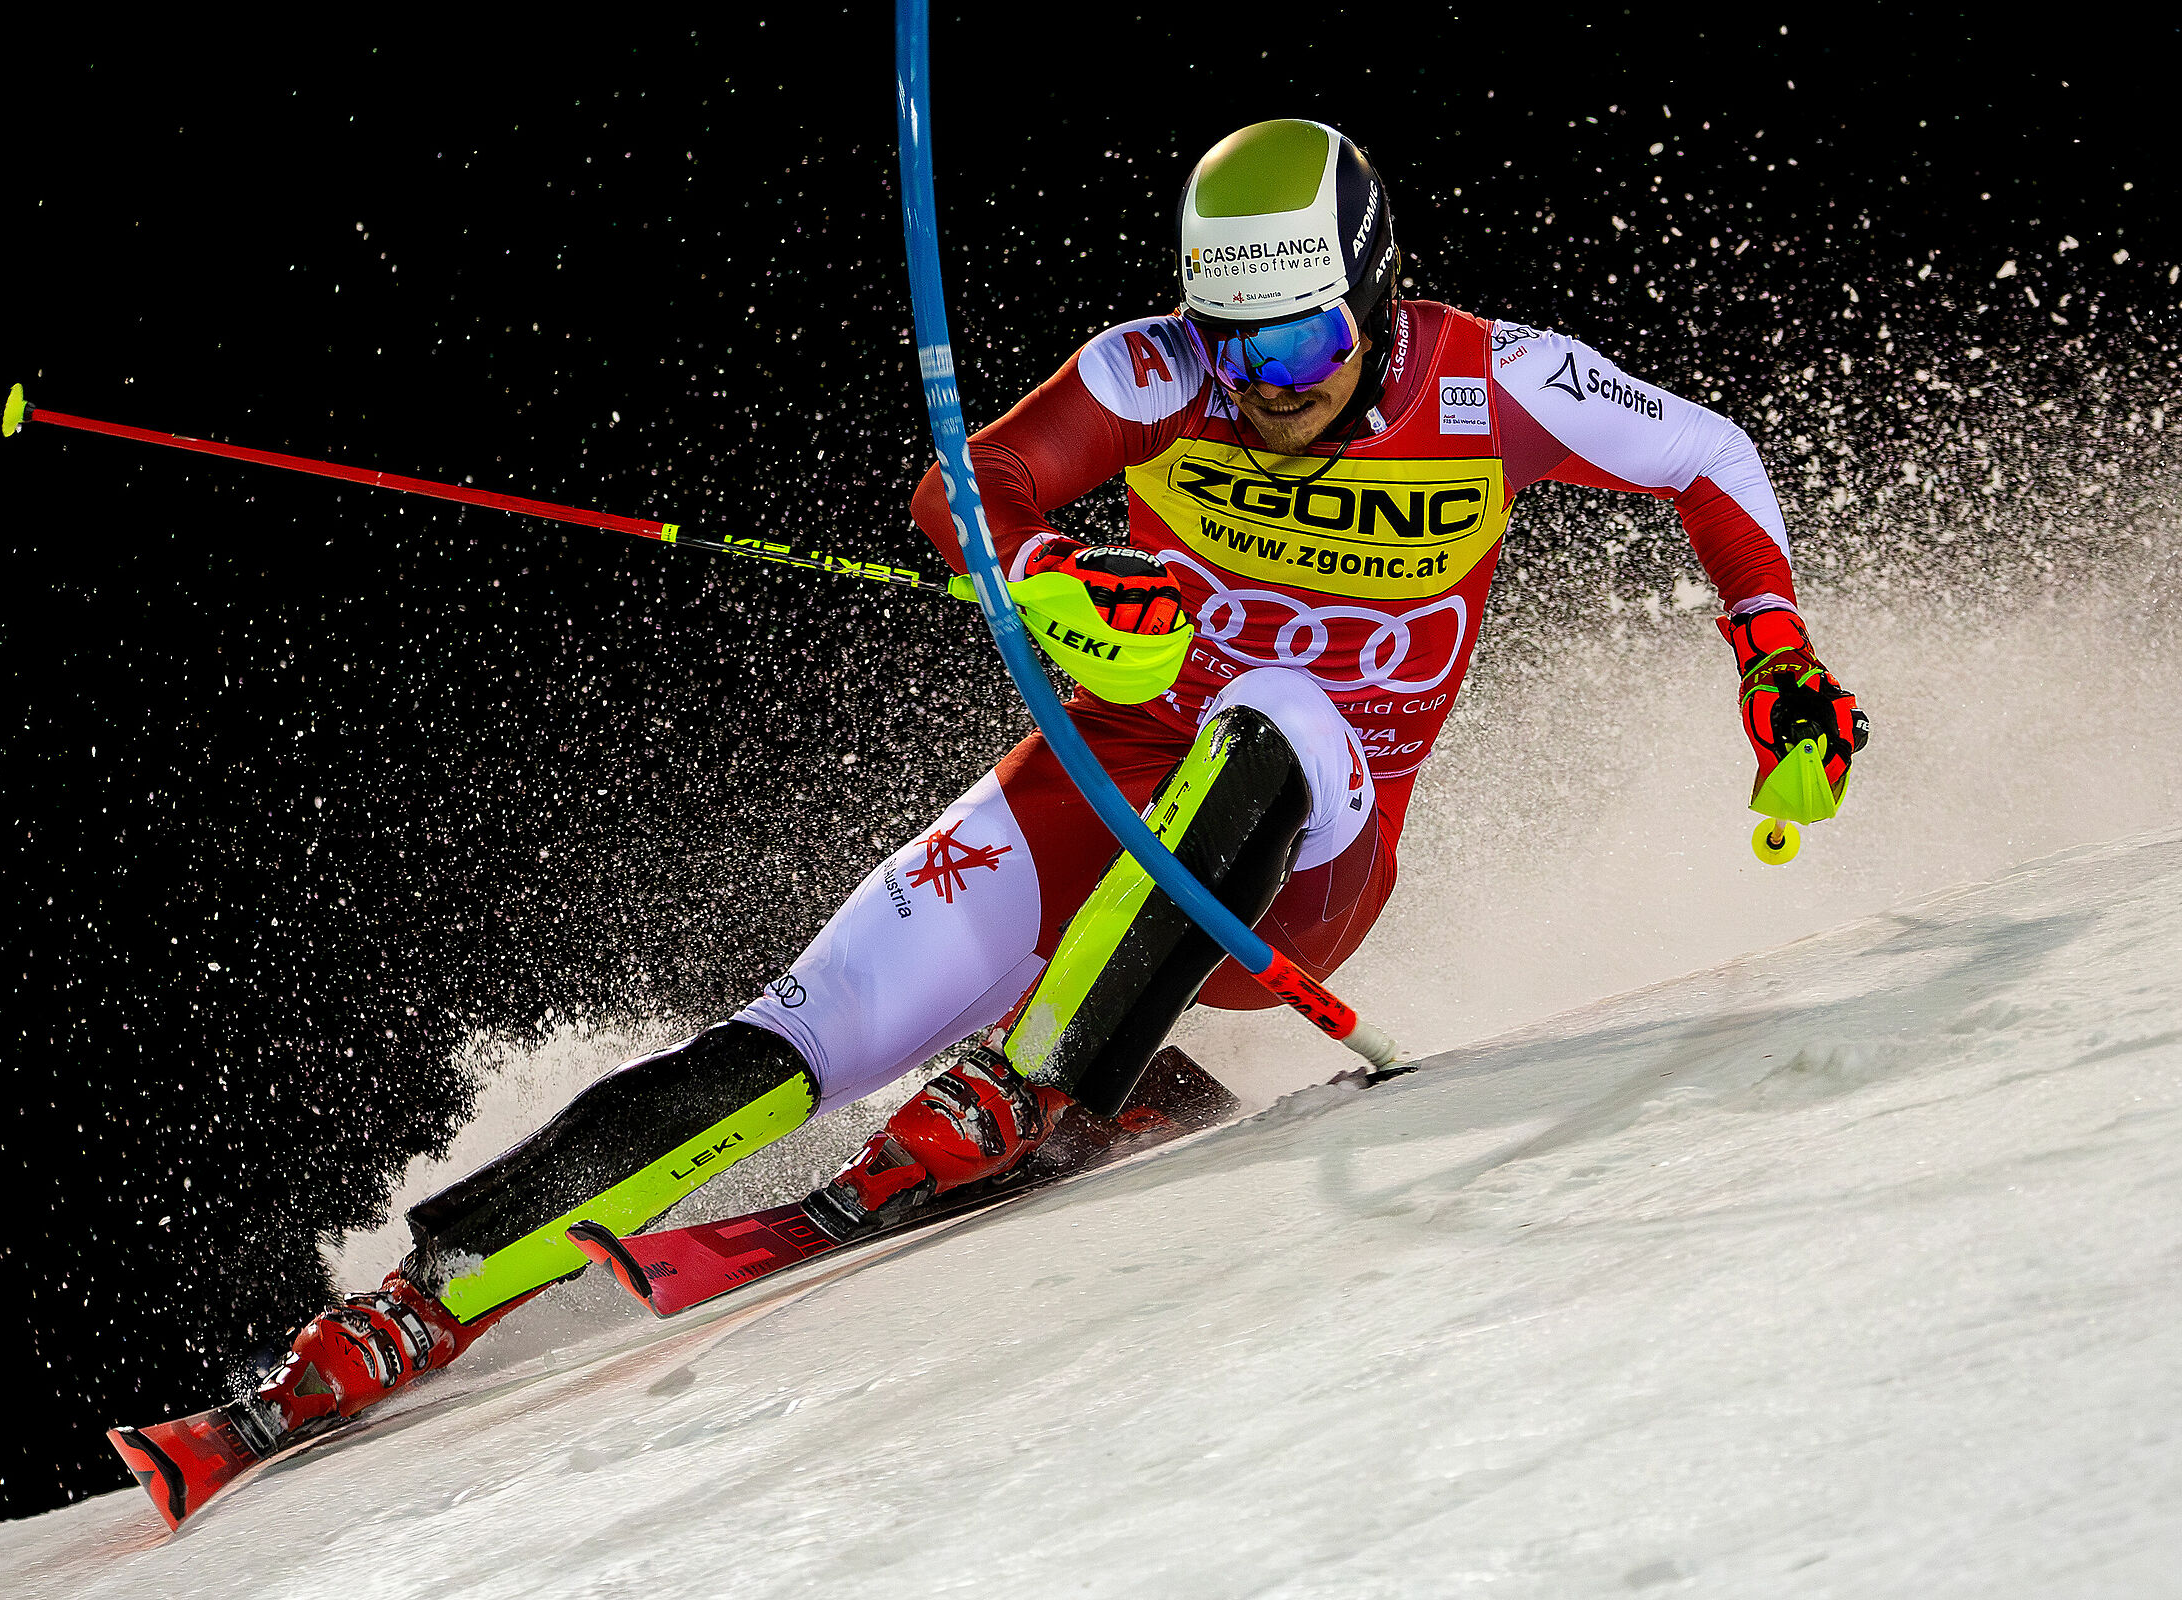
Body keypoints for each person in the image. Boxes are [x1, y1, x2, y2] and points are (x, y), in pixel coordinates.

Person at [202, 118, 1869, 1451]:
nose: (1270, 390)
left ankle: (1045, 1076)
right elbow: (970, 490)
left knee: (1281, 704)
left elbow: (1706, 457)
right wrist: (1065, 579)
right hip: (1094, 786)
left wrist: (1774, 651)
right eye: (1239, 347)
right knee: (808, 1026)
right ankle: (429, 1296)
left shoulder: (1491, 383)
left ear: (1374, 297)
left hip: (1291, 855)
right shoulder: (1163, 372)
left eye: (1303, 343)